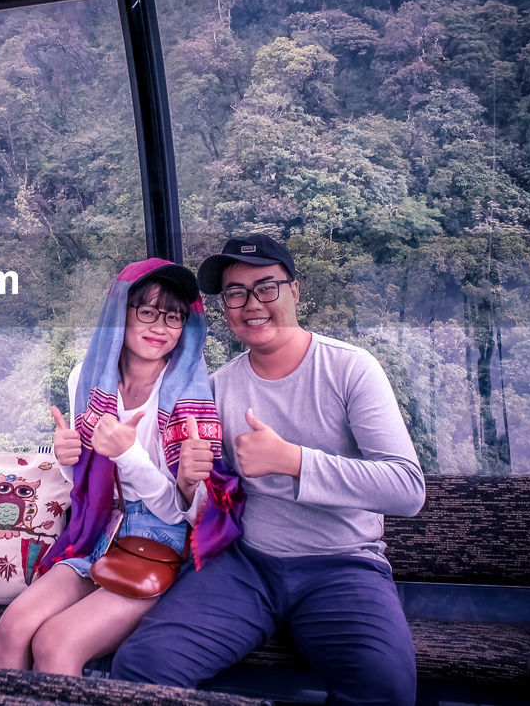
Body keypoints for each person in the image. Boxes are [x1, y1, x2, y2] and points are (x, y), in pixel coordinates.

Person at [112, 234, 426, 705]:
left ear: (294, 291)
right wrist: (187, 479)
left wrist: (294, 462)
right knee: (142, 666)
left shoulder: (350, 369)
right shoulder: (217, 388)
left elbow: (407, 489)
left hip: (342, 565)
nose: (251, 303)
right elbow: (193, 494)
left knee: (385, 689)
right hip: (246, 565)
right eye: (235, 293)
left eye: (266, 287)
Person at [0, 258, 241, 675]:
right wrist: (70, 459)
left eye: (173, 317)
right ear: (120, 312)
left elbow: (183, 511)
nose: (160, 326)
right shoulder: (86, 378)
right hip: (95, 527)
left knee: (56, 643)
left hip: (160, 541)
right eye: (147, 311)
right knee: (13, 627)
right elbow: (85, 480)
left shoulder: (191, 396)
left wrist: (128, 455)